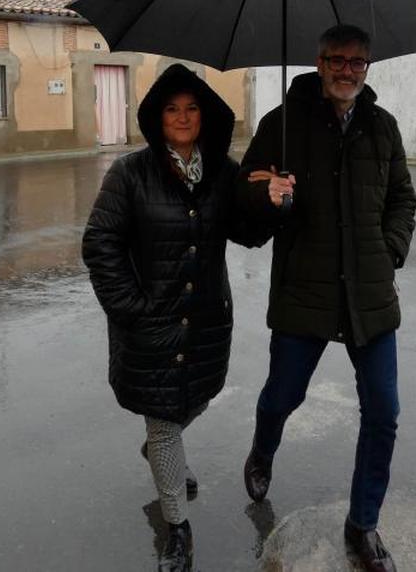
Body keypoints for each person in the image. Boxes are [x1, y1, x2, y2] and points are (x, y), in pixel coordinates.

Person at [237, 24, 416, 572]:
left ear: (367, 68)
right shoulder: (283, 126)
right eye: (336, 60)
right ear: (318, 63)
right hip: (305, 289)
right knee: (282, 397)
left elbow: (403, 200)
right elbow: (245, 202)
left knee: (384, 411)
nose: (346, 70)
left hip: (368, 291)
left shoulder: (382, 128)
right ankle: (263, 448)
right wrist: (270, 198)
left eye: (356, 62)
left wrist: (388, 250)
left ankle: (363, 523)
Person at [82, 63, 265, 572]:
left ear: (203, 116)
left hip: (206, 320)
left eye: (191, 108)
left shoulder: (222, 173)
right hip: (152, 324)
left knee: (196, 397)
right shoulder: (130, 174)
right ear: (155, 117)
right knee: (165, 420)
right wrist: (130, 310)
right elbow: (100, 244)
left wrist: (271, 202)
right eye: (171, 109)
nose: (183, 117)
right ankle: (178, 528)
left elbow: (247, 232)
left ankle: (159, 450)